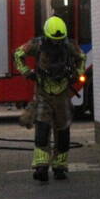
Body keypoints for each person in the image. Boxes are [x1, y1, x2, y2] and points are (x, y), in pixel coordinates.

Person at [13, 16, 85, 182]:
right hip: (43, 93)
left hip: (62, 94)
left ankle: (60, 167)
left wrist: (76, 74)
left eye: (60, 40)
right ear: (47, 35)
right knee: (42, 130)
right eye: (54, 40)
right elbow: (18, 54)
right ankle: (41, 166)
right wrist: (26, 72)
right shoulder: (37, 44)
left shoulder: (69, 45)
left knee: (63, 132)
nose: (57, 43)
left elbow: (81, 57)